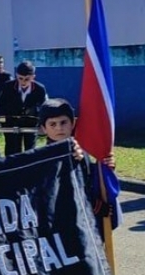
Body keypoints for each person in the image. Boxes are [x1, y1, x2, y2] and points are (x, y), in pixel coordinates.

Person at [38, 98, 115, 235]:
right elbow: (61, 192)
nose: (59, 128)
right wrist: (95, 206)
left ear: (73, 122)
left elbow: (87, 177)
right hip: (63, 225)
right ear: (44, 128)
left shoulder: (79, 149)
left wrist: (103, 168)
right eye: (52, 124)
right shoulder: (43, 159)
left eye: (63, 122)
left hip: (88, 222)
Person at [0, 61, 48, 156]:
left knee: (30, 150)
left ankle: (29, 169)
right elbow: (1, 106)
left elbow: (44, 107)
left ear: (33, 77)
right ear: (16, 75)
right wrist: (3, 122)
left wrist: (42, 123)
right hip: (12, 123)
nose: (23, 82)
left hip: (31, 124)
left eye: (27, 79)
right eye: (20, 78)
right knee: (12, 150)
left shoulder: (40, 89)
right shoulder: (8, 87)